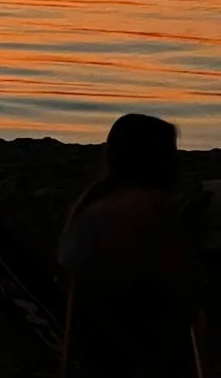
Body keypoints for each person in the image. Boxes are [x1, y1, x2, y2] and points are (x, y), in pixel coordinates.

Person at [59, 113, 202, 375]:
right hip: (132, 347)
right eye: (173, 154)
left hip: (83, 338)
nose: (179, 163)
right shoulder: (148, 209)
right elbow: (185, 289)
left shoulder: (91, 204)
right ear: (157, 161)